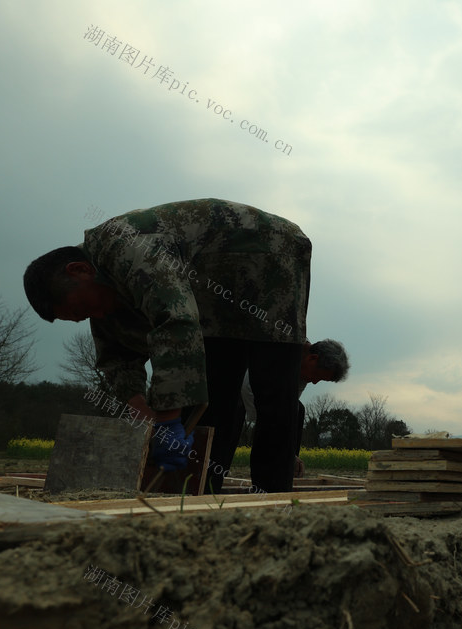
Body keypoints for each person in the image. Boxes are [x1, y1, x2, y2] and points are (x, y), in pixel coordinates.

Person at [23, 198, 337, 494]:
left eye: (81, 309)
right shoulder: (101, 295)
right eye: (79, 318)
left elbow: (174, 320)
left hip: (269, 253)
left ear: (79, 270)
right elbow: (117, 361)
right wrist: (147, 422)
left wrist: (166, 418)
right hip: (211, 289)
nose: (92, 316)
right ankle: (200, 494)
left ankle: (272, 502)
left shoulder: (125, 249)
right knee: (213, 394)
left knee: (273, 391)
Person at [236, 339, 349, 482]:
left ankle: (286, 468)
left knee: (297, 409)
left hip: (266, 394)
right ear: (312, 358)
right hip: (240, 387)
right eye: (317, 376)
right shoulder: (285, 351)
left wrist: (289, 454)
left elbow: (288, 410)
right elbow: (248, 386)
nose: (314, 382)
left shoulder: (305, 370)